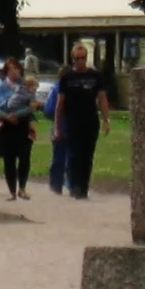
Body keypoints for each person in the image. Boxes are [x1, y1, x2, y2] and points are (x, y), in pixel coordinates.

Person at [55, 41, 113, 199]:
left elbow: (102, 98)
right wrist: (57, 127)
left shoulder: (95, 76)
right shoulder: (67, 78)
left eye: (83, 58)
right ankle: (74, 185)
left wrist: (106, 120)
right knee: (74, 154)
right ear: (72, 59)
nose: (80, 61)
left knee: (87, 155)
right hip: (73, 121)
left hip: (90, 121)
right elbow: (60, 104)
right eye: (77, 58)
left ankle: (83, 186)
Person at [0, 57, 36, 199]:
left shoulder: (26, 86)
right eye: (11, 69)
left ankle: (22, 188)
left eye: (16, 68)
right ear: (6, 71)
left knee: (24, 156)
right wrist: (6, 116)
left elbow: (32, 106)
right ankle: (12, 191)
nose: (15, 72)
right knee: (9, 160)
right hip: (6, 127)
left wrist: (18, 114)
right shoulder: (1, 87)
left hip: (23, 125)